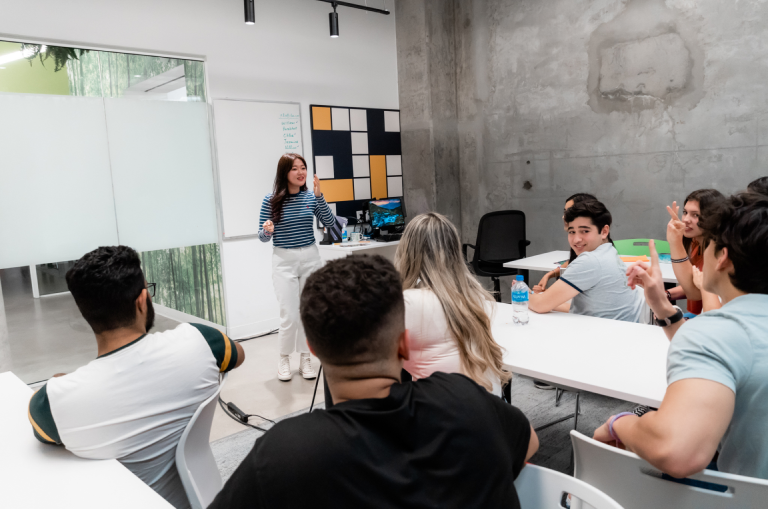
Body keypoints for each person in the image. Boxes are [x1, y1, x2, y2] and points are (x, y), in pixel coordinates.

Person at [209, 255, 539, 509]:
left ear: (313, 348)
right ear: (404, 344)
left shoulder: (284, 455)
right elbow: (530, 445)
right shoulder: (467, 398)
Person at [27, 246, 245, 509]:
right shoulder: (202, 341)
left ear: (85, 311)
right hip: (201, 497)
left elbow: (44, 435)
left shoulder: (54, 401)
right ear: (142, 299)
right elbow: (238, 355)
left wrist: (63, 382)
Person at [594, 192, 768, 480]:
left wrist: (619, 423)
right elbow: (730, 352)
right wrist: (662, 306)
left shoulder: (713, 333)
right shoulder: (727, 331)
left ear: (722, 257)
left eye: (707, 244)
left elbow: (677, 451)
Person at [394, 212, 510, 396]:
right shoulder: (476, 296)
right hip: (490, 408)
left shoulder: (409, 303)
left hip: (447, 414)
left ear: (407, 252)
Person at [259, 153, 335, 381]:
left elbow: (330, 224)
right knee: (290, 314)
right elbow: (262, 236)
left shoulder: (311, 198)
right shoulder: (270, 200)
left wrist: (320, 196)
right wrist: (267, 230)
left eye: (303, 168)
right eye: (295, 169)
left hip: (310, 257)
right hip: (284, 260)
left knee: (307, 311)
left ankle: (305, 358)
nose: (301, 172)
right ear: (285, 173)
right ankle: (284, 357)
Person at [528, 200, 645, 322]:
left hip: (602, 335)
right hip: (622, 330)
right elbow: (580, 309)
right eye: (571, 232)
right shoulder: (609, 251)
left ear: (604, 231)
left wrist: (523, 294)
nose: (576, 239)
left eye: (585, 231)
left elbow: (539, 306)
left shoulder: (590, 260)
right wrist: (542, 299)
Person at [665, 189, 725, 315]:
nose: (686, 219)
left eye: (695, 215)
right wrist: (667, 294)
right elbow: (695, 286)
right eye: (685, 212)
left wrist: (675, 242)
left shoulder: (720, 254)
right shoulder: (695, 243)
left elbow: (697, 290)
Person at [533, 193, 600, 293]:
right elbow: (572, 262)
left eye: (570, 212)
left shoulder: (590, 260)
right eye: (565, 212)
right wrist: (550, 274)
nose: (564, 217)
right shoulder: (596, 249)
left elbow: (573, 305)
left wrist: (538, 296)